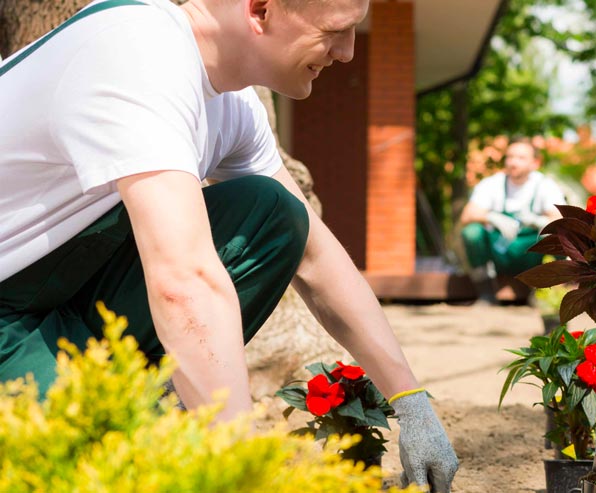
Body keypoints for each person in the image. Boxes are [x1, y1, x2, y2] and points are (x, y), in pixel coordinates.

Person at [0, 0, 458, 489]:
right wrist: (239, 468)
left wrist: (411, 402)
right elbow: (184, 280)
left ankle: (151, 405)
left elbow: (315, 256)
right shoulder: (136, 57)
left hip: (60, 294)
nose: (347, 54)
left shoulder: (230, 104)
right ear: (260, 10)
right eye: (336, 31)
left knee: (275, 212)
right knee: (93, 461)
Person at [458, 138, 565, 304]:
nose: (513, 163)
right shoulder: (492, 183)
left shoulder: (545, 185)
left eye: (521, 158)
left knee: (559, 237)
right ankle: (486, 293)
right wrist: (491, 217)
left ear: (535, 162)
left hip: (531, 255)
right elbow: (467, 214)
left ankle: (543, 291)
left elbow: (561, 220)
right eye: (510, 157)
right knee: (471, 232)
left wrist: (538, 221)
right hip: (500, 253)